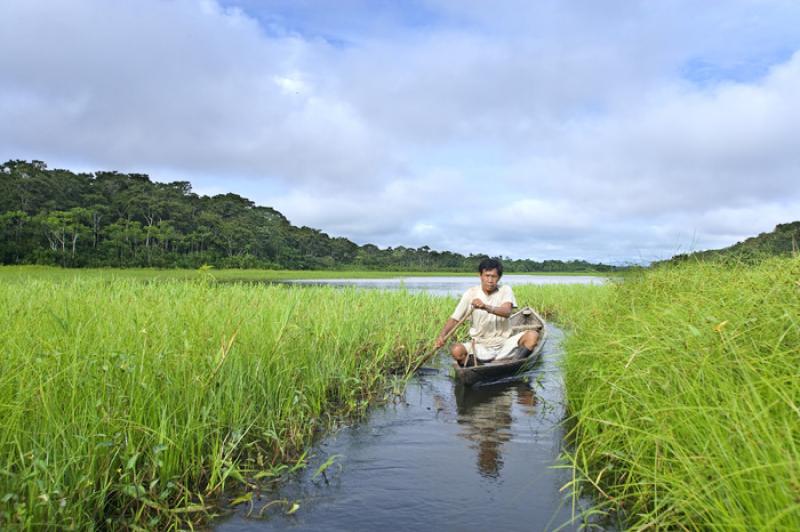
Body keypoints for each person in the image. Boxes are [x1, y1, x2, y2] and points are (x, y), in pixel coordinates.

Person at [434, 258, 539, 366]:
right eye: (487, 276)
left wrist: (485, 307)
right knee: (456, 350)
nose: (490, 280)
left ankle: (514, 365)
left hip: (504, 344)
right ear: (480, 276)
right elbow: (454, 319)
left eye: (493, 276)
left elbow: (507, 312)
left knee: (532, 336)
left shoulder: (505, 290)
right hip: (480, 345)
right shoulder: (471, 293)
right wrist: (442, 336)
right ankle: (479, 367)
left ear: (499, 278)